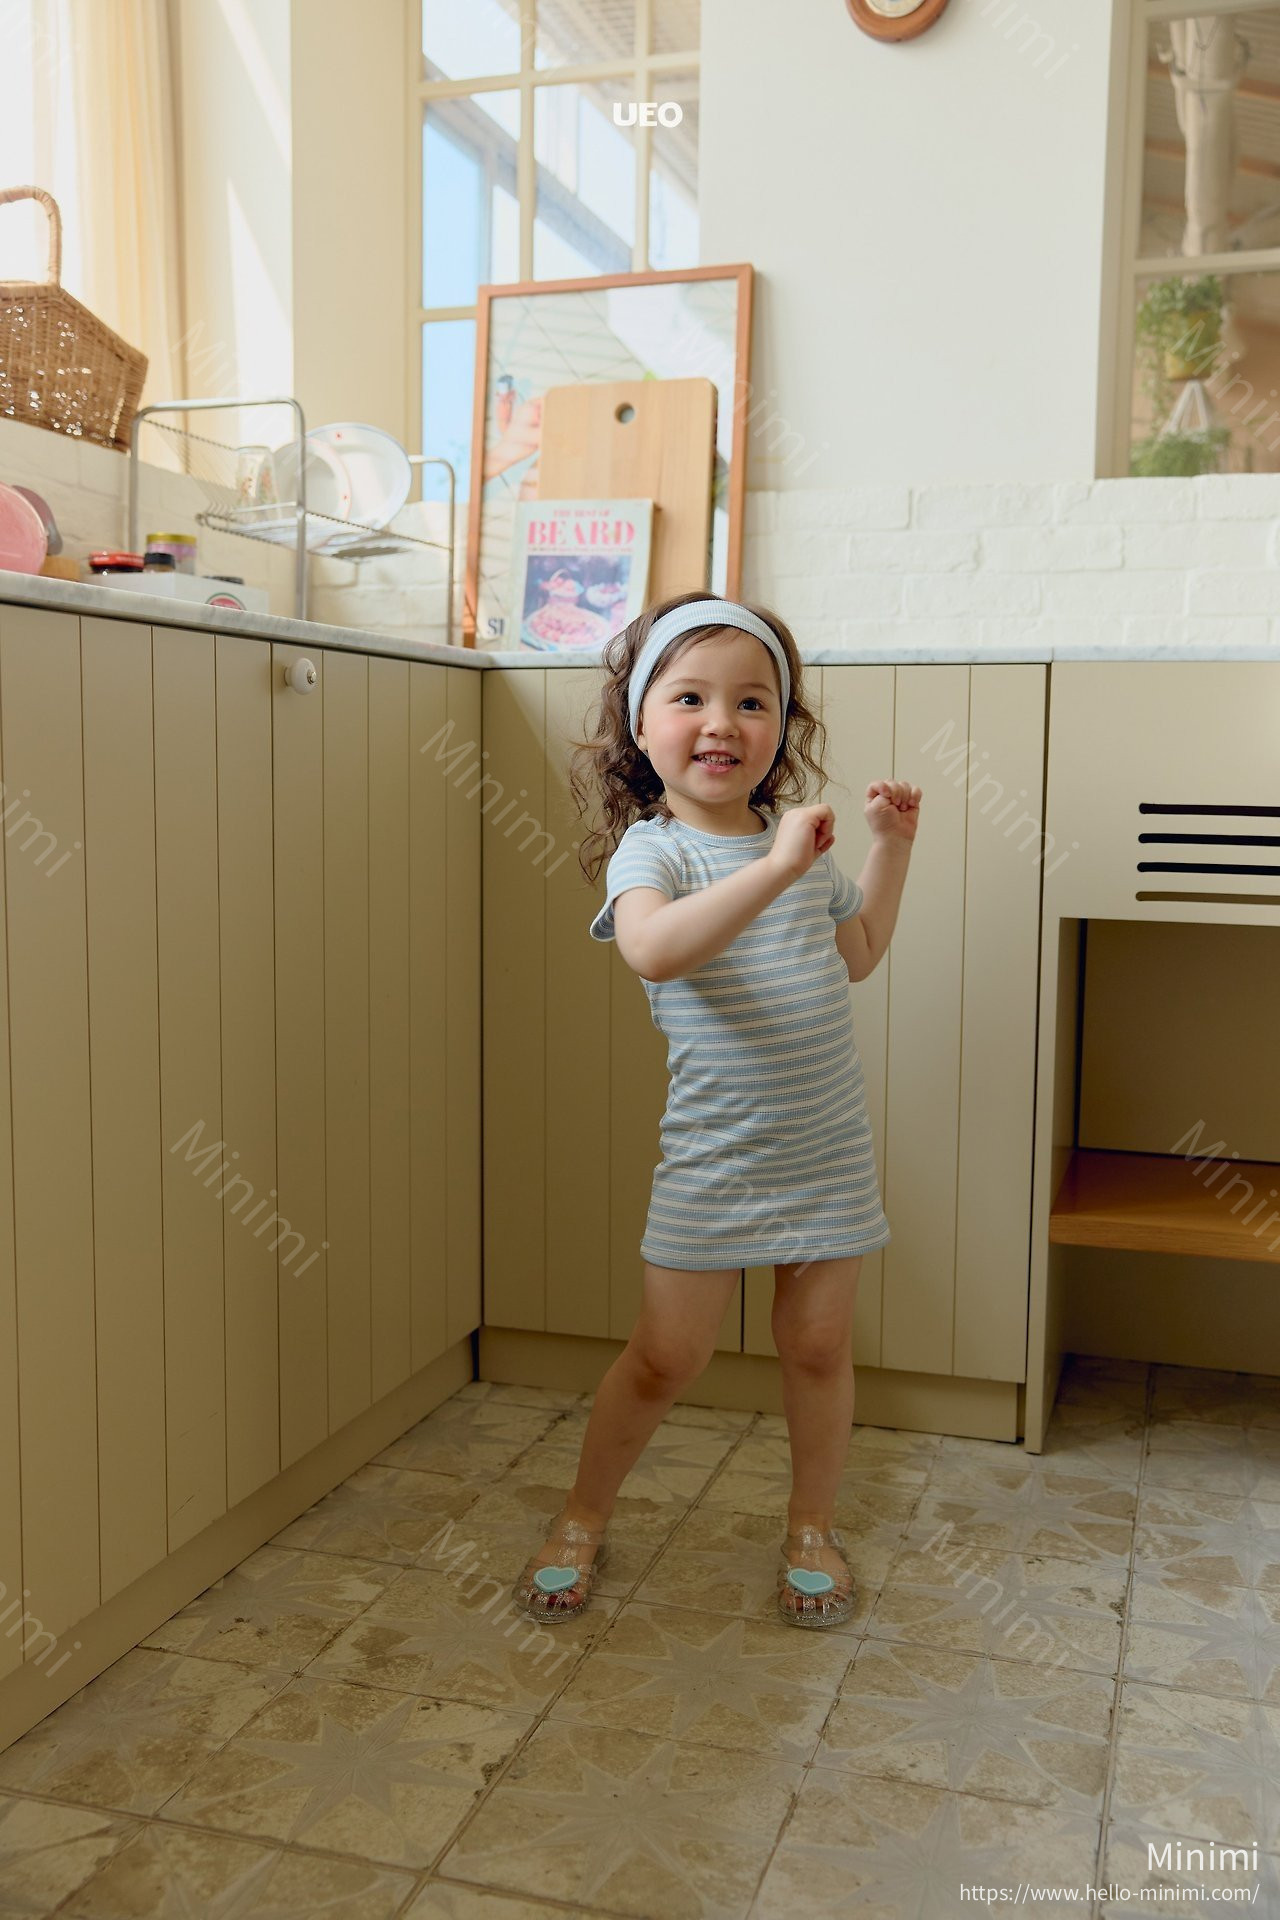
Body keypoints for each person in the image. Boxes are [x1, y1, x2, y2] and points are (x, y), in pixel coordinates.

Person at [511, 590, 922, 1630]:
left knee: (817, 1347)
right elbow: (653, 949)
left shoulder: (795, 843)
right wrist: (778, 868)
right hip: (717, 1156)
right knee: (666, 1357)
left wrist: (888, 846)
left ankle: (810, 1526)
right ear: (641, 724)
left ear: (780, 727)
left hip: (825, 1150)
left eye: (751, 701)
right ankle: (581, 1515)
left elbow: (860, 953)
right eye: (689, 697)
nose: (720, 722)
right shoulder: (655, 852)